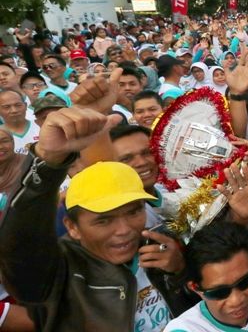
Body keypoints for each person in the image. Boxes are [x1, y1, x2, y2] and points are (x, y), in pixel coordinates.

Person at [0, 108, 196, 331]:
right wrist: (47, 162)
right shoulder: (59, 273)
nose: (124, 230)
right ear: (72, 227)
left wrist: (180, 272)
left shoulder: (158, 247)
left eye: (133, 212)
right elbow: (19, 247)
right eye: (103, 220)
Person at [109, 124, 165, 228]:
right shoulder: (118, 216)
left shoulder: (172, 192)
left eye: (147, 152)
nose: (141, 162)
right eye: (126, 159)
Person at [0, 90, 39, 155]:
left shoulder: (41, 126)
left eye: (18, 105)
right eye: (6, 107)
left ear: (25, 106)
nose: (14, 110)